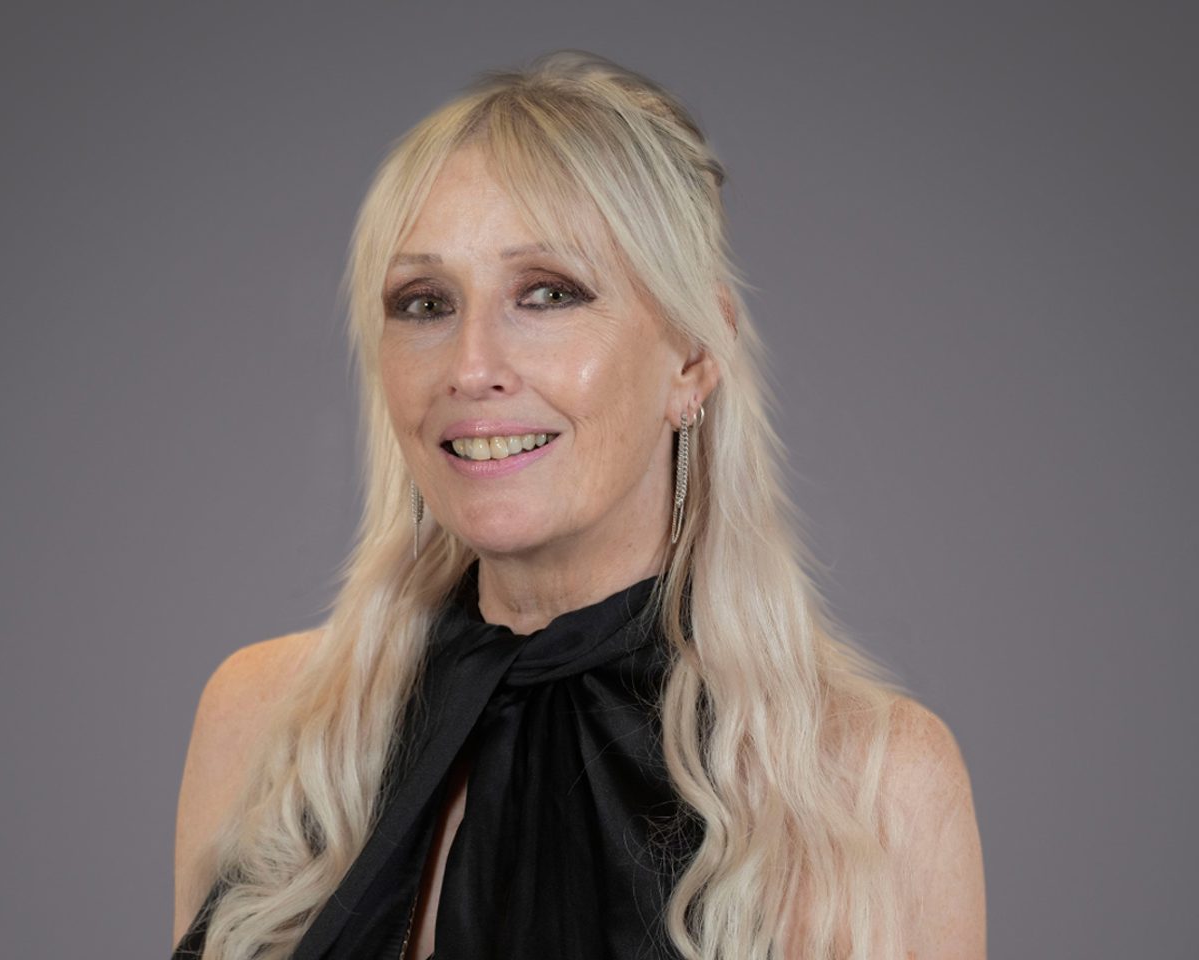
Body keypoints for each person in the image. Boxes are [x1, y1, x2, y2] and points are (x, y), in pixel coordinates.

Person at [171, 50, 986, 960]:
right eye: (425, 302)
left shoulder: (870, 786)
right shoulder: (267, 728)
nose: (471, 366)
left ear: (691, 358)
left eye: (548, 293)